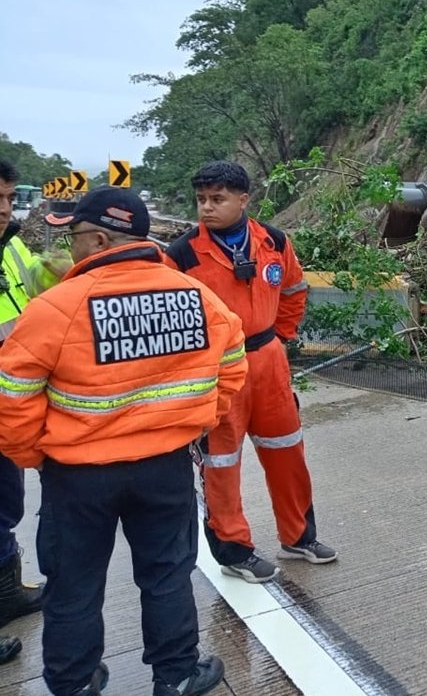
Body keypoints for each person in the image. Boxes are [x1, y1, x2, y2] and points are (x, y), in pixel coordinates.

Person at [0, 186, 248, 696]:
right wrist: (199, 422)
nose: (67, 249)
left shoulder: (56, 307)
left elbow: (12, 398)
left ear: (95, 239)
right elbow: (232, 365)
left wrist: (35, 457)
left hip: (78, 479)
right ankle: (177, 675)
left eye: (71, 238)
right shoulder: (197, 297)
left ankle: (74, 684)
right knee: (167, 575)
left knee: (74, 586)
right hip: (165, 469)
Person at [166, 161, 336, 584]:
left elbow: (294, 289)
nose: (207, 208)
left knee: (287, 450)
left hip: (268, 360)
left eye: (217, 199)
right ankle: (234, 549)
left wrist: (281, 336)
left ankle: (298, 536)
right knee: (220, 460)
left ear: (244, 200)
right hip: (219, 369)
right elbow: (172, 317)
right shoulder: (183, 254)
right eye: (202, 200)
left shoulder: (274, 242)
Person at [0, 161, 70, 666]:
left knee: (5, 505)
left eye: (7, 198)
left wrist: (63, 280)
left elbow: (39, 298)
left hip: (9, 399)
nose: (5, 210)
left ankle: (7, 594)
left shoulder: (14, 246)